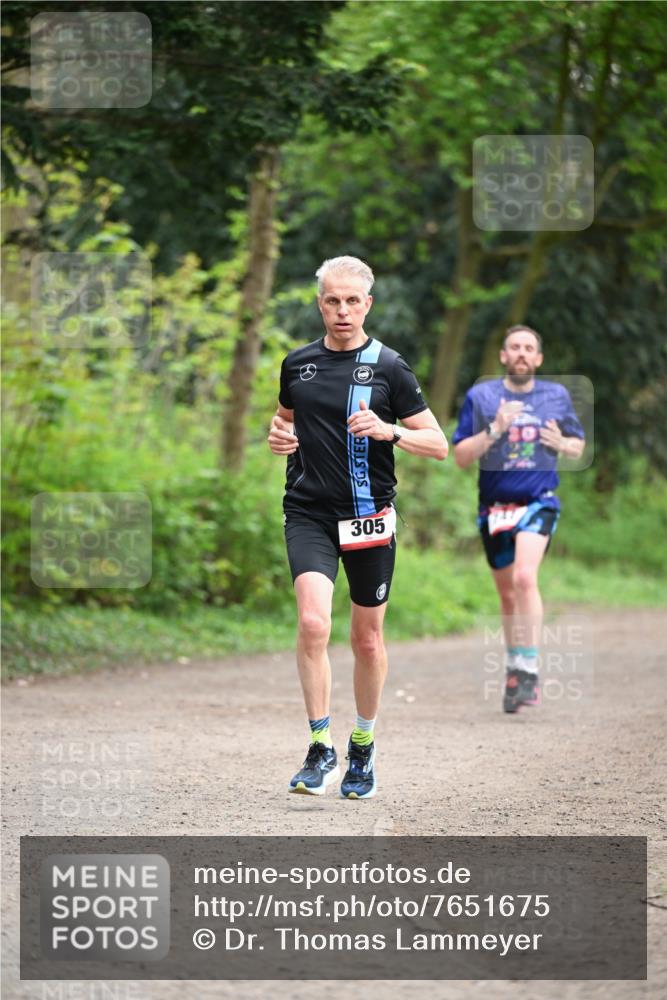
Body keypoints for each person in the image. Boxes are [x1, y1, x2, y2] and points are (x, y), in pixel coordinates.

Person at [268, 255, 448, 798]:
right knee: (313, 623)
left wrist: (389, 430)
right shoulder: (297, 365)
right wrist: (276, 436)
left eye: (352, 301)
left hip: (369, 518)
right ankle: (320, 747)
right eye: (332, 300)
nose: (342, 310)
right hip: (309, 513)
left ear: (368, 304)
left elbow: (438, 445)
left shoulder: (390, 367)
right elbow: (283, 422)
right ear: (319, 303)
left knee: (367, 640)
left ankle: (362, 749)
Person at [452, 326, 585, 713]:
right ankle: (515, 668)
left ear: (539, 359)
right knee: (508, 595)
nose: (522, 353)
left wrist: (563, 444)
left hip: (538, 501)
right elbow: (460, 456)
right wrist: (496, 428)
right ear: (503, 356)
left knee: (526, 578)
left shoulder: (556, 396)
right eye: (515, 347)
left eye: (529, 348)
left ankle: (528, 667)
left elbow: (577, 446)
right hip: (494, 508)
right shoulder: (482, 396)